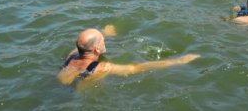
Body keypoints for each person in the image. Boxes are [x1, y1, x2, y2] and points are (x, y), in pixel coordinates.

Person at [57, 26, 199, 86]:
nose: (104, 41)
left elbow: (86, 44)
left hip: (62, 82)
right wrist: (178, 61)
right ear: (96, 50)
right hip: (76, 92)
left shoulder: (73, 55)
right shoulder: (102, 67)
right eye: (103, 40)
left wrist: (106, 32)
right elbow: (135, 68)